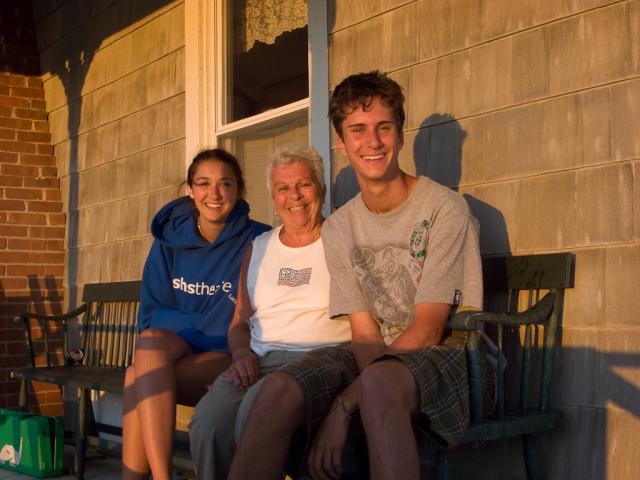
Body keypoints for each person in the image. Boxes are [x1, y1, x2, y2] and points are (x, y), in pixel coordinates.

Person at [228, 71, 485, 480]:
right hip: (372, 356)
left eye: (384, 128)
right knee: (277, 390)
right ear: (343, 145)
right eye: (358, 130)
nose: (373, 142)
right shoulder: (340, 227)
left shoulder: (443, 209)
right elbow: (364, 335)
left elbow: (429, 329)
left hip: (444, 355)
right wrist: (357, 389)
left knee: (380, 386)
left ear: (400, 136)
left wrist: (344, 406)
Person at [188, 144, 351, 479]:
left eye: (304, 185)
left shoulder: (341, 238)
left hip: (318, 360)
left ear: (320, 188)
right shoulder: (259, 246)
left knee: (252, 411)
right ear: (273, 196)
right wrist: (240, 355)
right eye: (283, 188)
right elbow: (239, 322)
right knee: (208, 421)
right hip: (259, 361)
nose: (295, 196)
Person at [121, 148, 270, 480]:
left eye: (225, 184)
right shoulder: (167, 242)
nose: (214, 194)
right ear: (190, 190)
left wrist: (201, 328)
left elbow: (253, 315)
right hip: (177, 352)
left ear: (238, 190)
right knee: (148, 344)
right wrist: (199, 326)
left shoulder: (258, 238)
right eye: (203, 183)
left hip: (227, 353)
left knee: (136, 377)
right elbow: (150, 313)